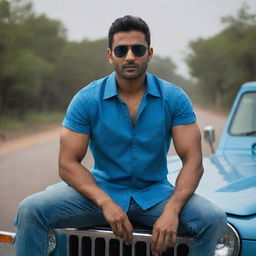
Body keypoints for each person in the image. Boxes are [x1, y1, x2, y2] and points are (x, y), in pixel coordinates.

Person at [15, 15, 227, 256]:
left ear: (149, 52)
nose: (129, 57)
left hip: (156, 194)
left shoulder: (174, 98)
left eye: (137, 49)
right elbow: (67, 163)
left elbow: (192, 160)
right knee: (31, 210)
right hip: (101, 191)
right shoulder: (86, 99)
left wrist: (172, 210)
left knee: (213, 218)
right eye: (121, 50)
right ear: (110, 55)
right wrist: (105, 202)